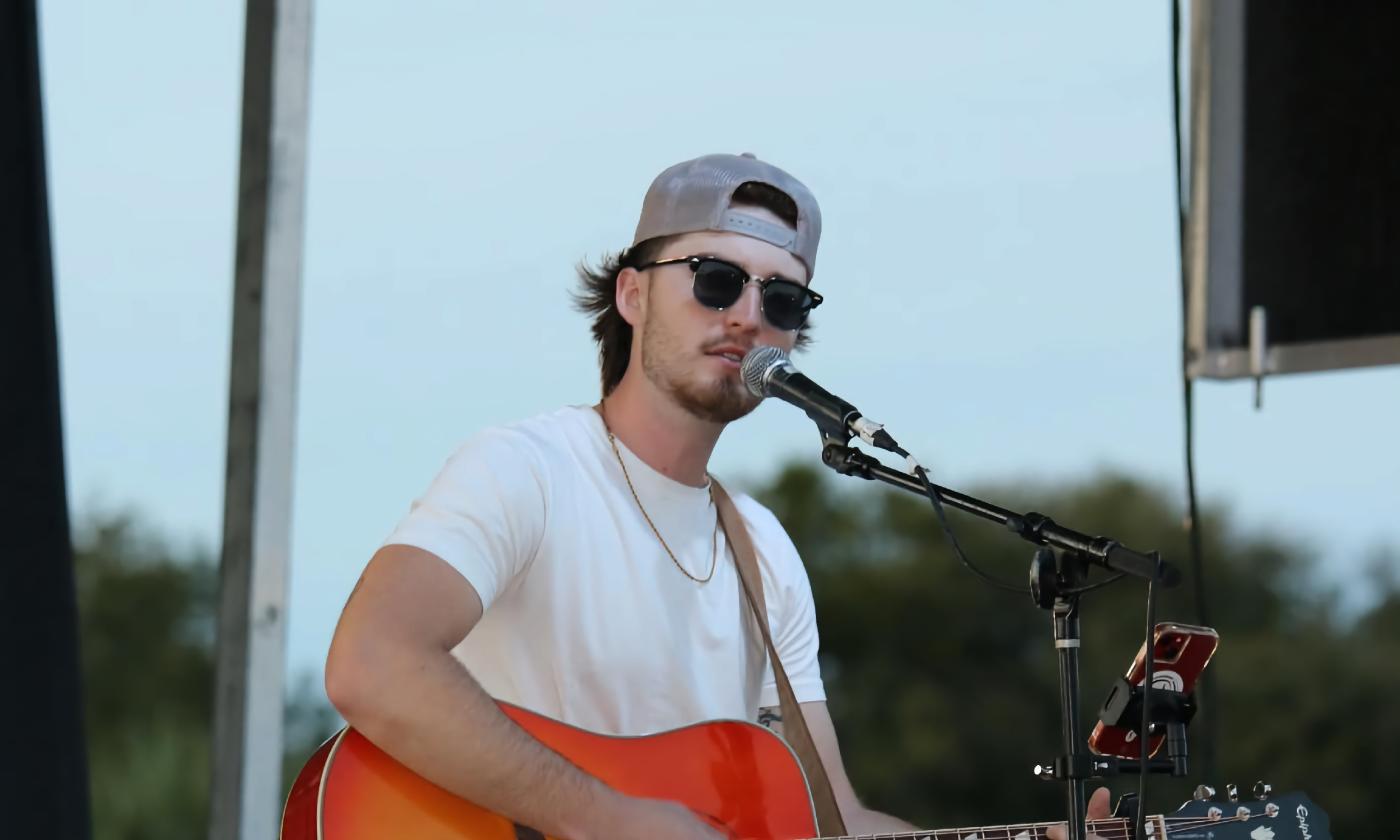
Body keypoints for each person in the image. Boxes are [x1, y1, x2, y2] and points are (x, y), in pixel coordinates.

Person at [324, 152, 1108, 839]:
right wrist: (597, 816)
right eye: (716, 279)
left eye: (782, 300)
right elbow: (369, 662)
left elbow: (833, 823)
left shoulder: (763, 552)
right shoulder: (526, 470)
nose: (744, 316)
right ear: (632, 295)